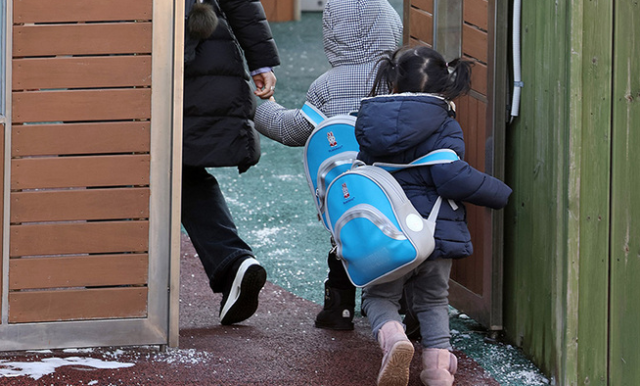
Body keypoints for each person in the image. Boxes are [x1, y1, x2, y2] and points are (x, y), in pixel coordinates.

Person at [356, 46, 512, 386]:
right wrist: (500, 193)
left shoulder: (369, 122)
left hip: (390, 234)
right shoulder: (444, 122)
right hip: (434, 232)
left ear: (393, 83)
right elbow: (451, 177)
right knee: (433, 300)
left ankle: (395, 339)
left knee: (379, 296)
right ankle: (438, 371)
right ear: (445, 86)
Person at [254, 0, 402, 331]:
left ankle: (339, 308)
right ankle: (411, 309)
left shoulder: (328, 86)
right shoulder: (398, 77)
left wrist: (262, 108)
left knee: (344, 242)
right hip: (397, 189)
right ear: (391, 28)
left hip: (348, 191)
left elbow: (292, 131)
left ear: (333, 33)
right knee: (403, 238)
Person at [181, 0, 280, 325]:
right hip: (208, 55)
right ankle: (233, 261)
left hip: (145, 52)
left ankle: (112, 285)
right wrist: (260, 62)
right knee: (184, 170)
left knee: (124, 163)